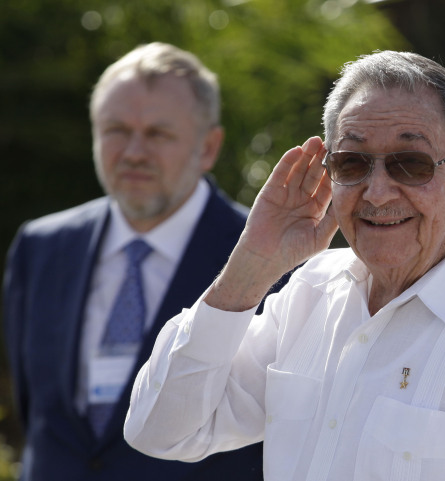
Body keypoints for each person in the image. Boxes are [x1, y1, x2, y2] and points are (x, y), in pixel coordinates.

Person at [124, 50, 445, 480]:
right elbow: (162, 432)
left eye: (411, 164)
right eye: (352, 164)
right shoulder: (313, 291)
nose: (377, 192)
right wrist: (250, 267)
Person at [2, 42, 266, 480]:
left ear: (208, 147)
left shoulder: (272, 258)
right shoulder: (42, 247)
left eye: (158, 134)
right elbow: (36, 414)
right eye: (116, 130)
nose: (134, 152)